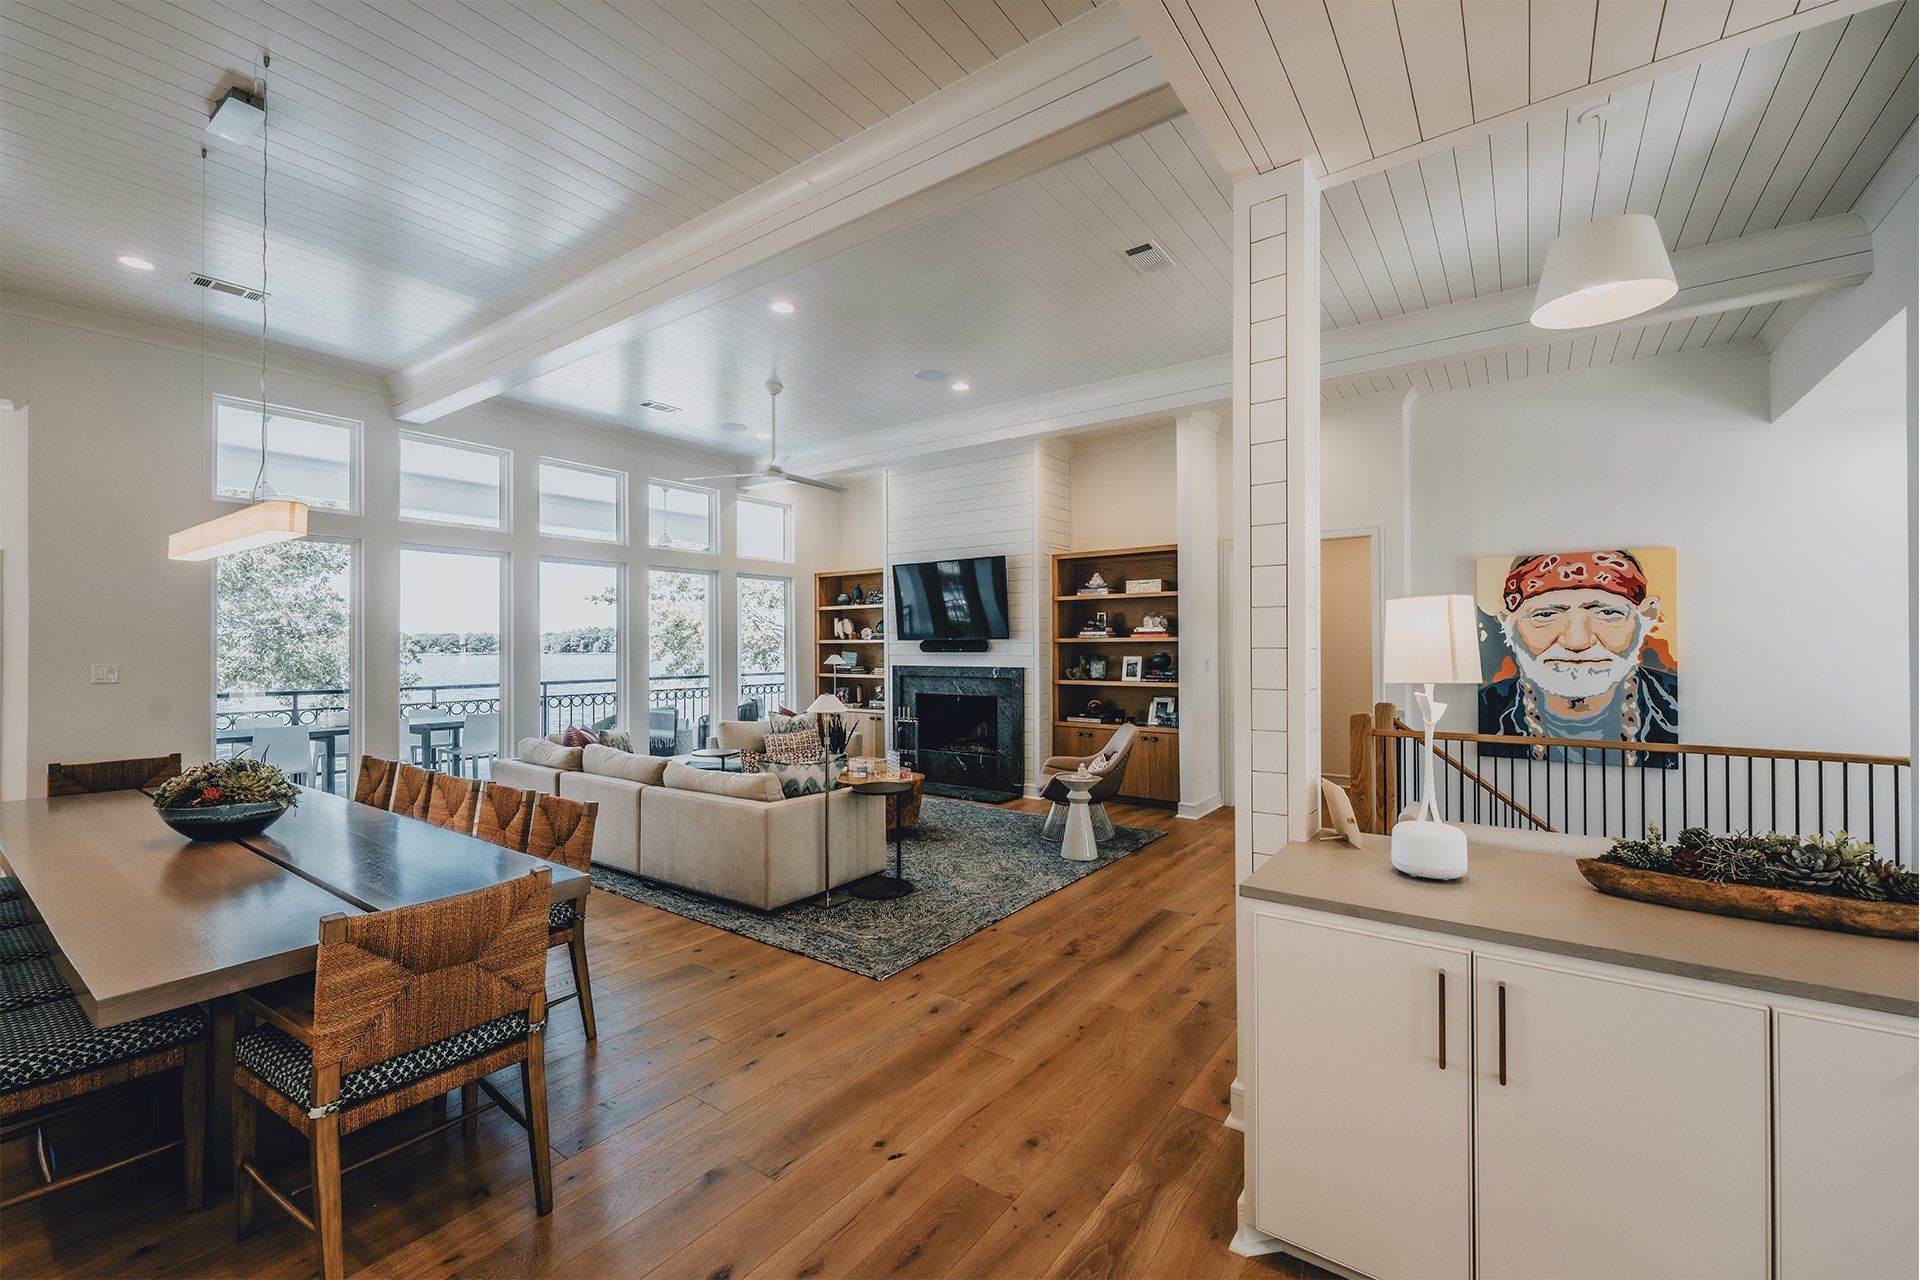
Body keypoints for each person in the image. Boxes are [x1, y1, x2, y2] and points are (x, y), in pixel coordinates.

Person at [1479, 550, 1678, 766]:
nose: (1577, 641)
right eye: (1545, 615)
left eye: (1608, 613)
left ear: (1646, 618)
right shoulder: (1486, 709)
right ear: (1508, 623)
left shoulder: (1674, 704)